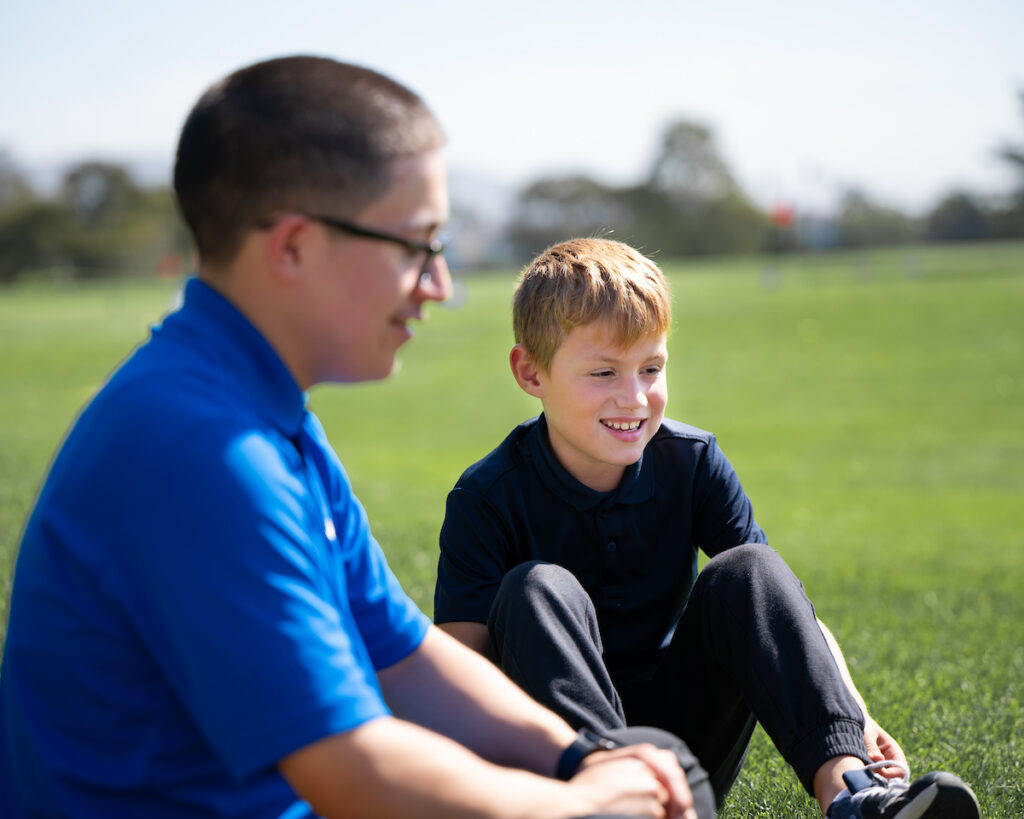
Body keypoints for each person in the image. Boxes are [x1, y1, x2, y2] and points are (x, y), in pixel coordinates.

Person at [0, 57, 709, 819]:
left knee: (656, 770)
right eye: (416, 245)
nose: (438, 284)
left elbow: (402, 655)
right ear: (295, 247)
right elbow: (352, 769)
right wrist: (578, 804)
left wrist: (580, 756)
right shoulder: (199, 448)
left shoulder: (265, 414)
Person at [433, 237, 981, 819]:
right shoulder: (485, 497)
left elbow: (782, 608)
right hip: (566, 768)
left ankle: (852, 794)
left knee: (751, 567)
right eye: (603, 372)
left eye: (651, 368)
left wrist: (856, 714)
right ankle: (615, 801)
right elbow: (458, 675)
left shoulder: (692, 462)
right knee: (536, 587)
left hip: (684, 749)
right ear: (531, 372)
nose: (634, 397)